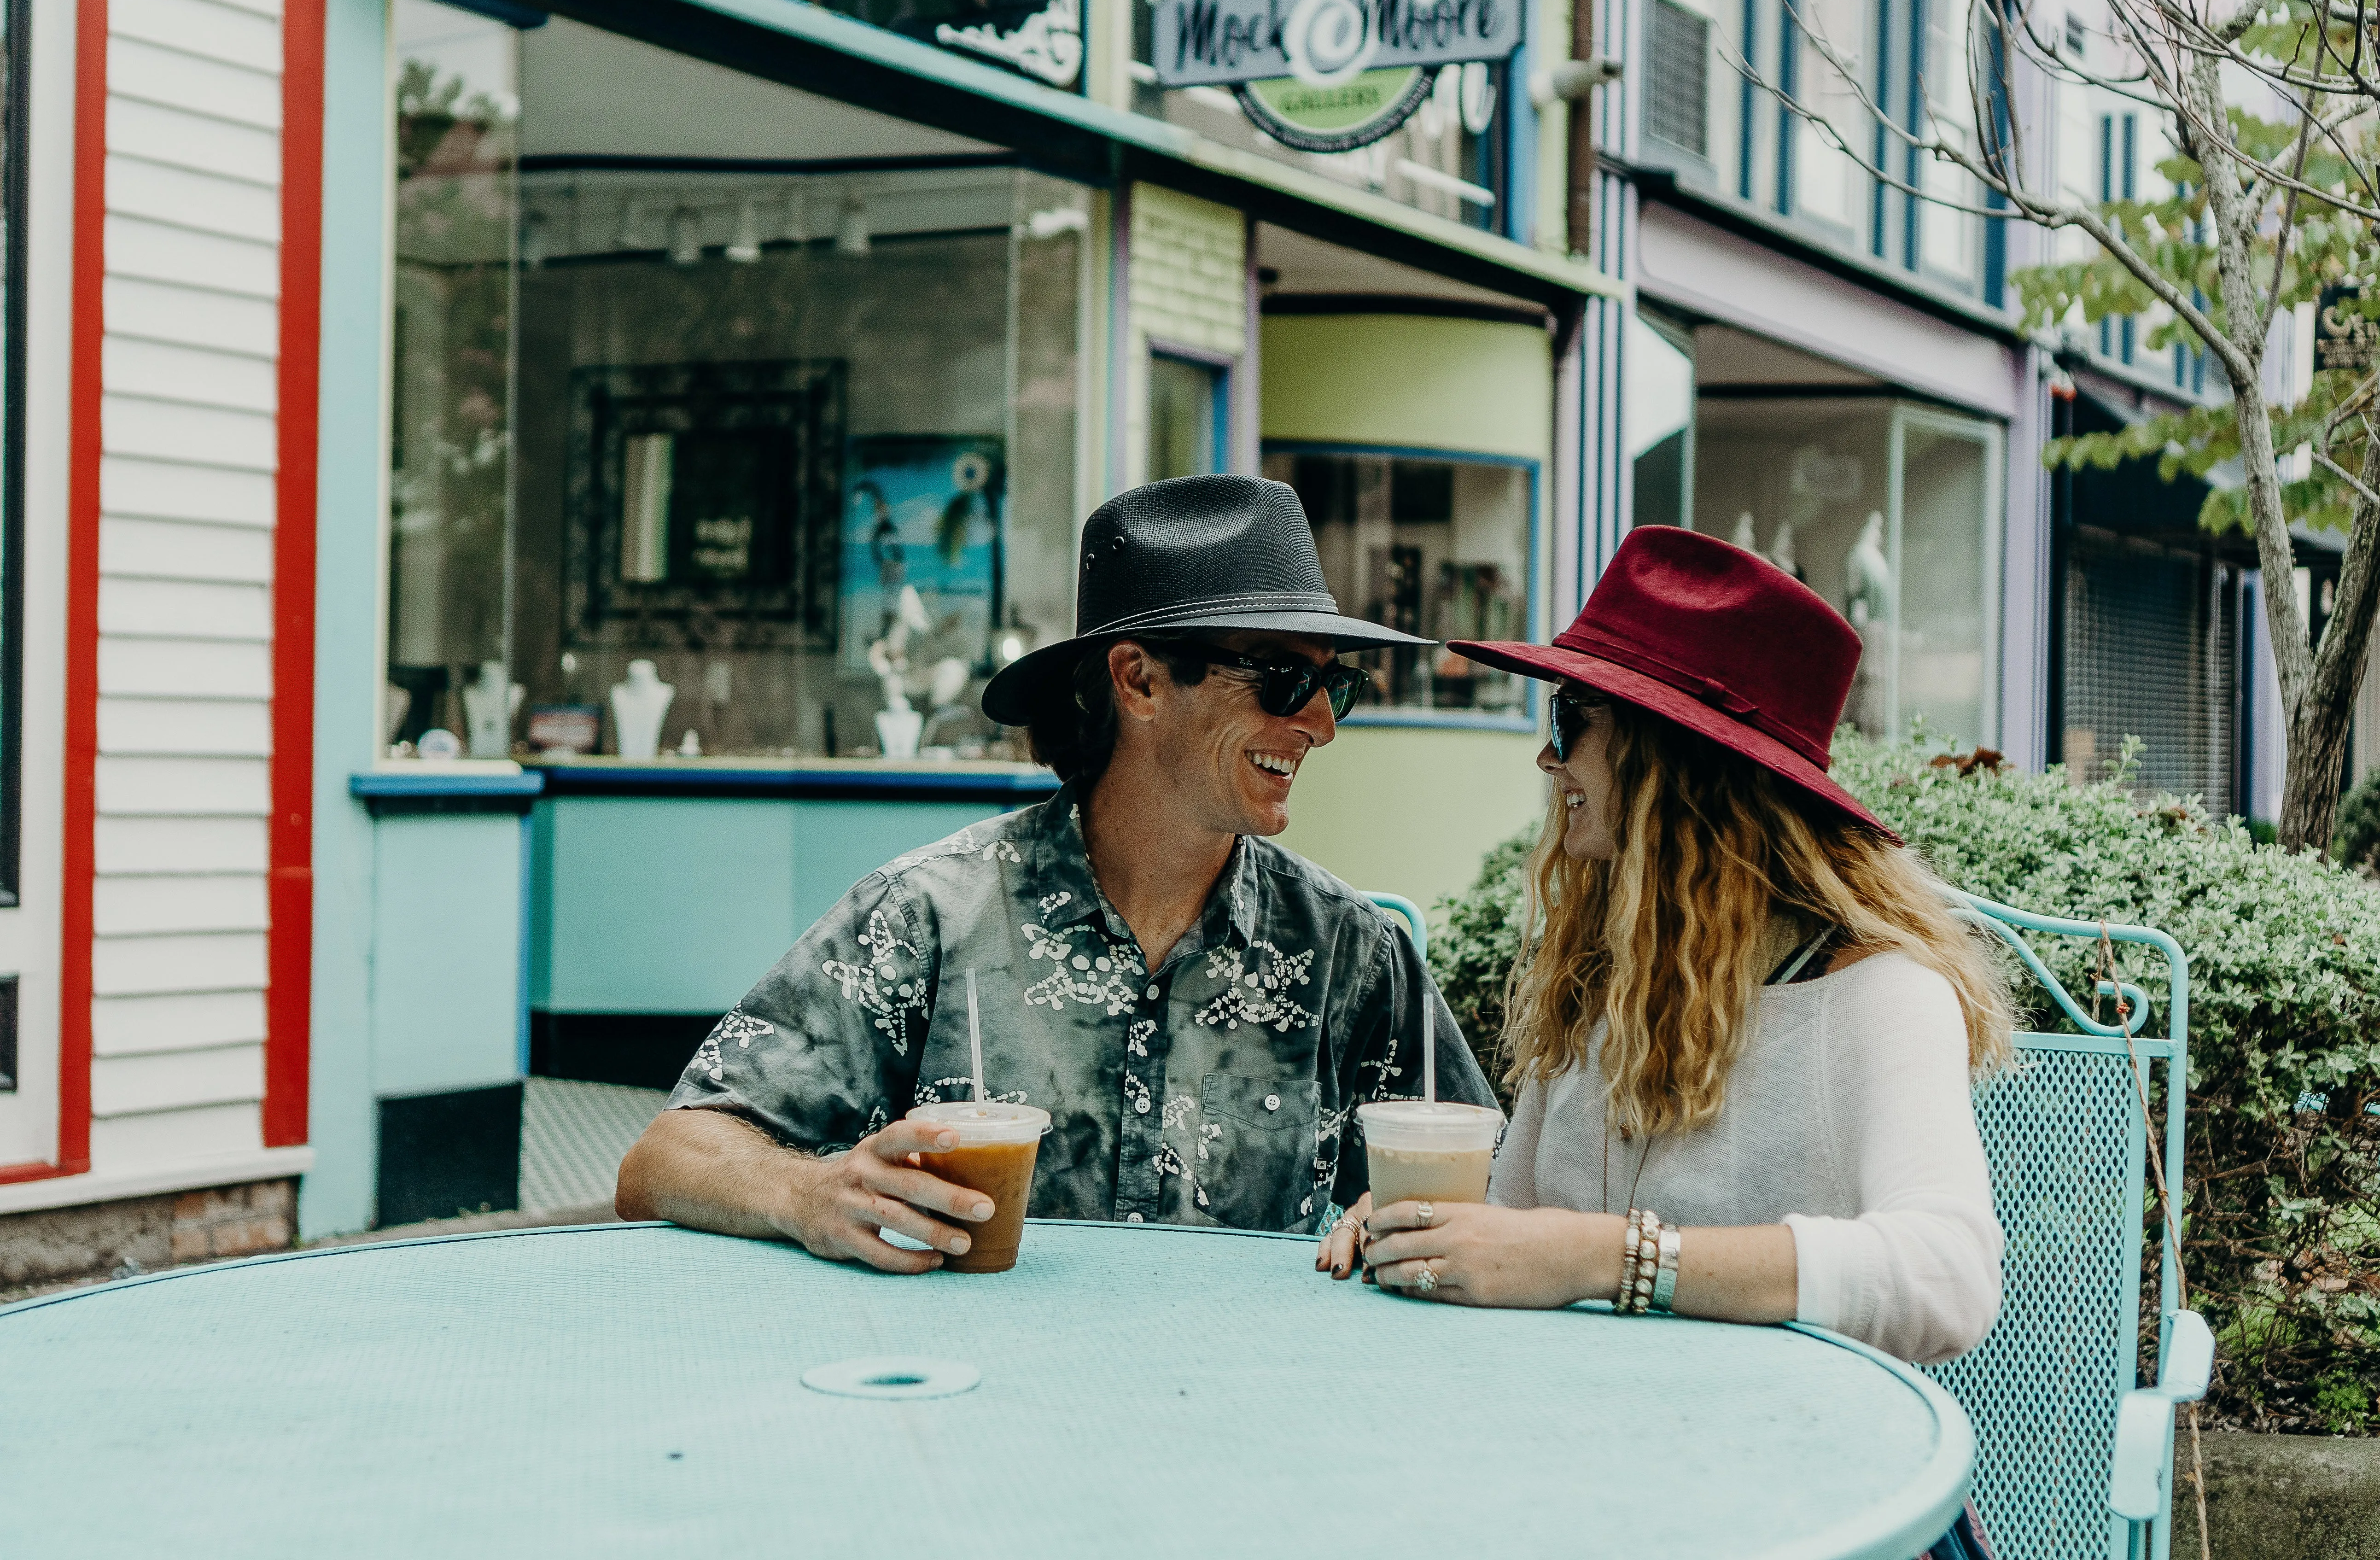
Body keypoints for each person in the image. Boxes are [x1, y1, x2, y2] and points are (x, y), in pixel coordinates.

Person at [618, 475, 1496, 1269]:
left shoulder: (1354, 954)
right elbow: (666, 1160)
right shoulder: (929, 916)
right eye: (1279, 679)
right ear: (1140, 681)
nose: (1321, 724)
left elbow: (1489, 1191)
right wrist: (808, 1194)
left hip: (1245, 1413)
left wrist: (1423, 1220)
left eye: (1330, 686)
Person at [1319, 525, 2011, 1373]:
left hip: (1798, 1473)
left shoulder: (1879, 997)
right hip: (1586, 1443)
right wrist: (1427, 1234)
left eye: (1571, 719)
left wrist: (1610, 1258)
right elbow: (1520, 1223)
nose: (1547, 756)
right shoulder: (1601, 971)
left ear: (1675, 763)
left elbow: (1948, 1279)